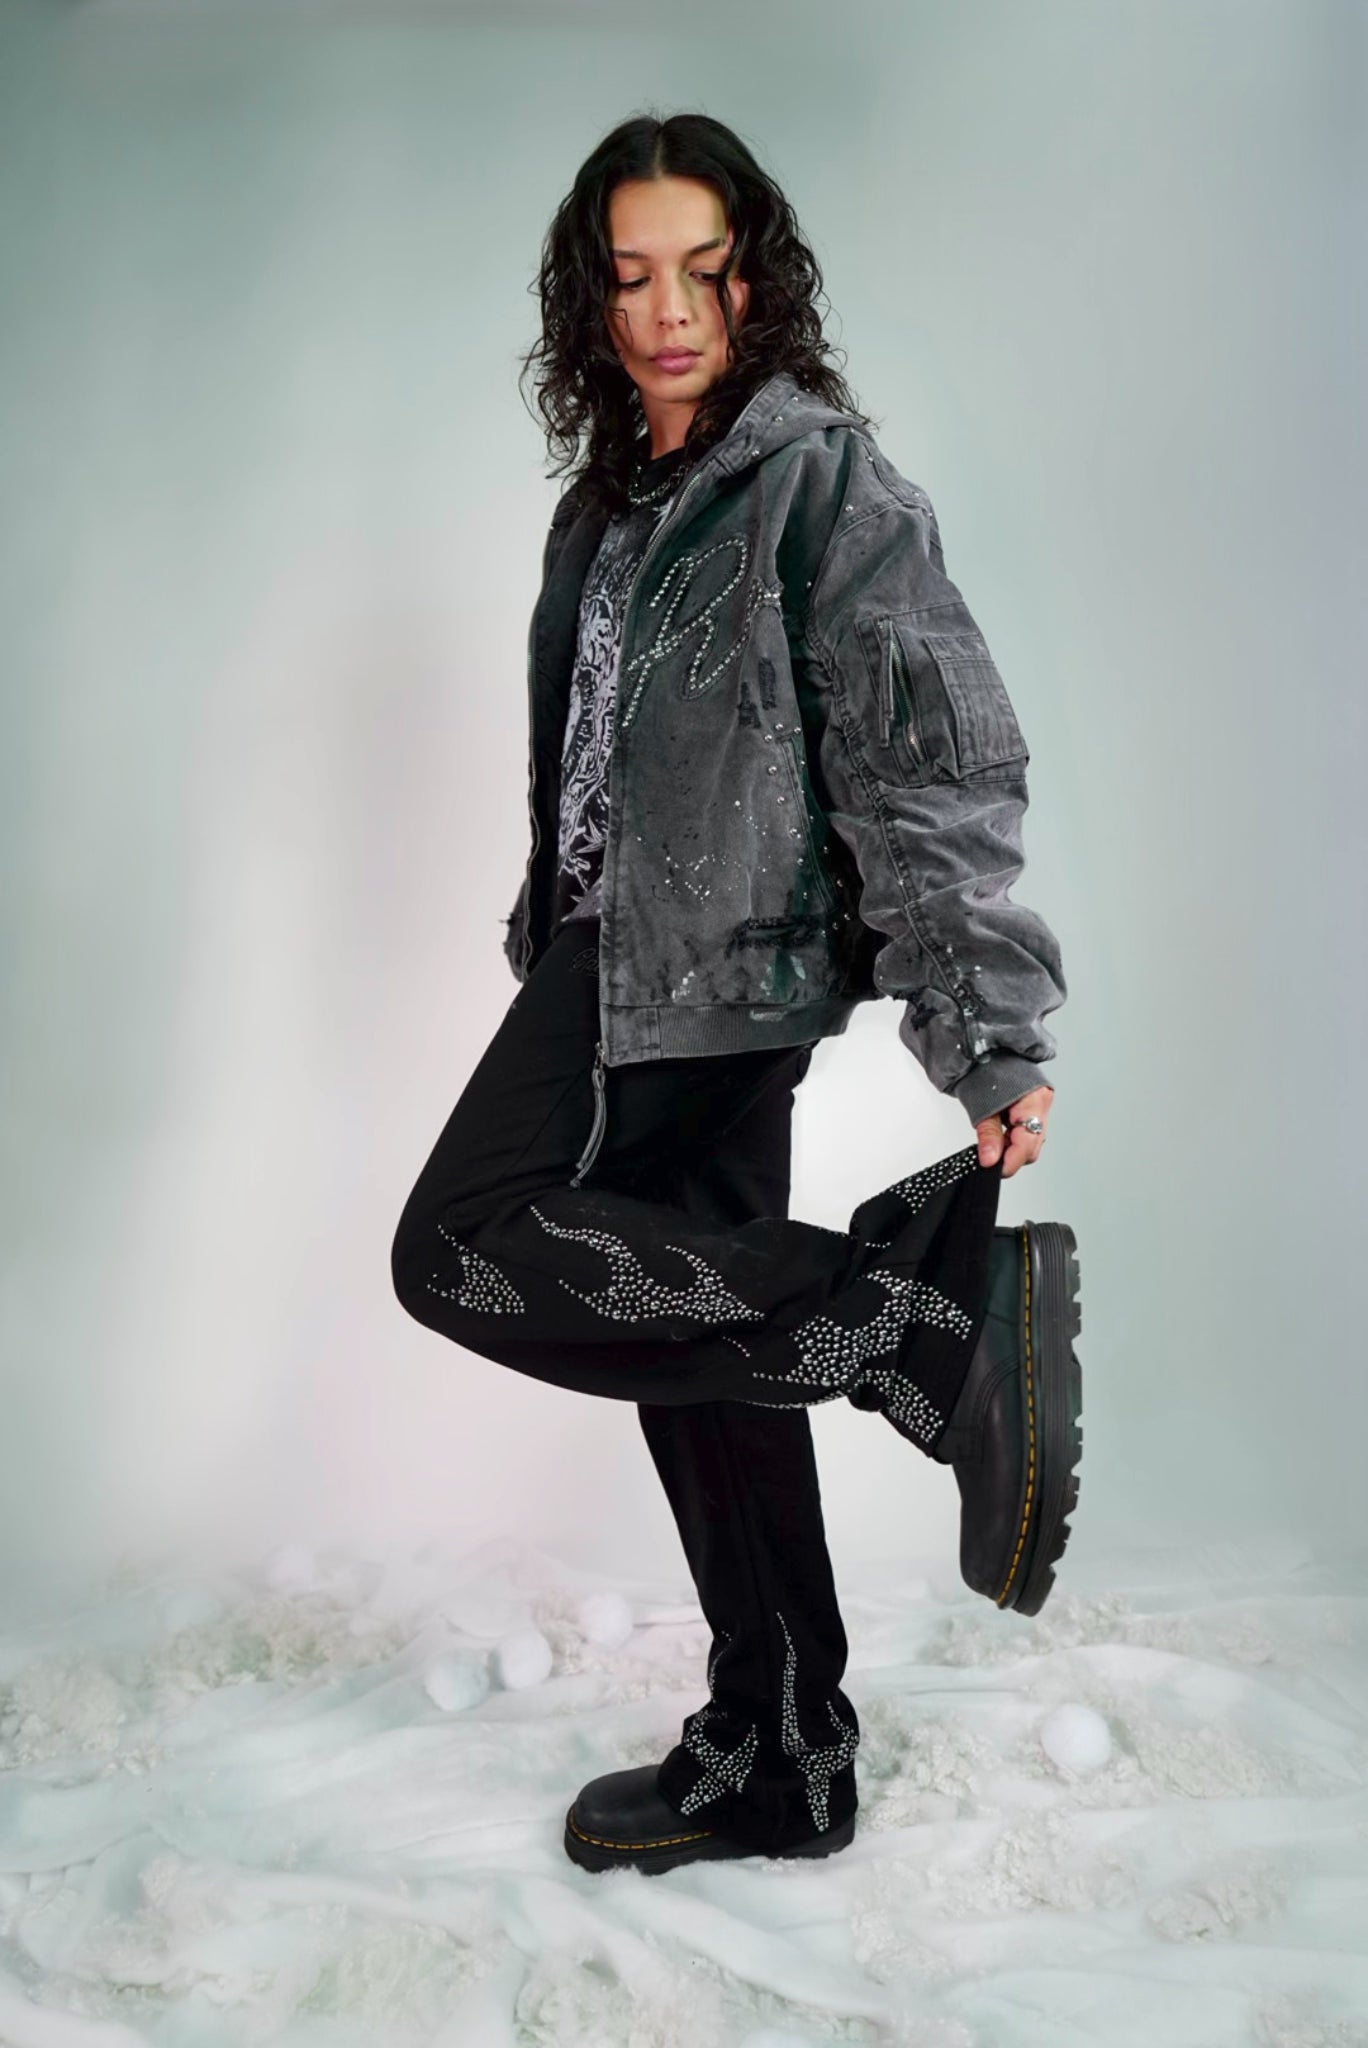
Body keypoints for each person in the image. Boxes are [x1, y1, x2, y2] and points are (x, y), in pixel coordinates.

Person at [390, 111, 1082, 1876]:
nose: (670, 310)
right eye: (632, 277)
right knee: (693, 1345)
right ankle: (783, 1749)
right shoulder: (607, 506)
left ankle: (914, 1325)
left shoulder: (819, 482)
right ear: (592, 299)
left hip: (713, 965)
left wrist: (985, 1031)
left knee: (460, 1242)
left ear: (756, 279)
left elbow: (924, 762)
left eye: (704, 270)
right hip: (616, 960)